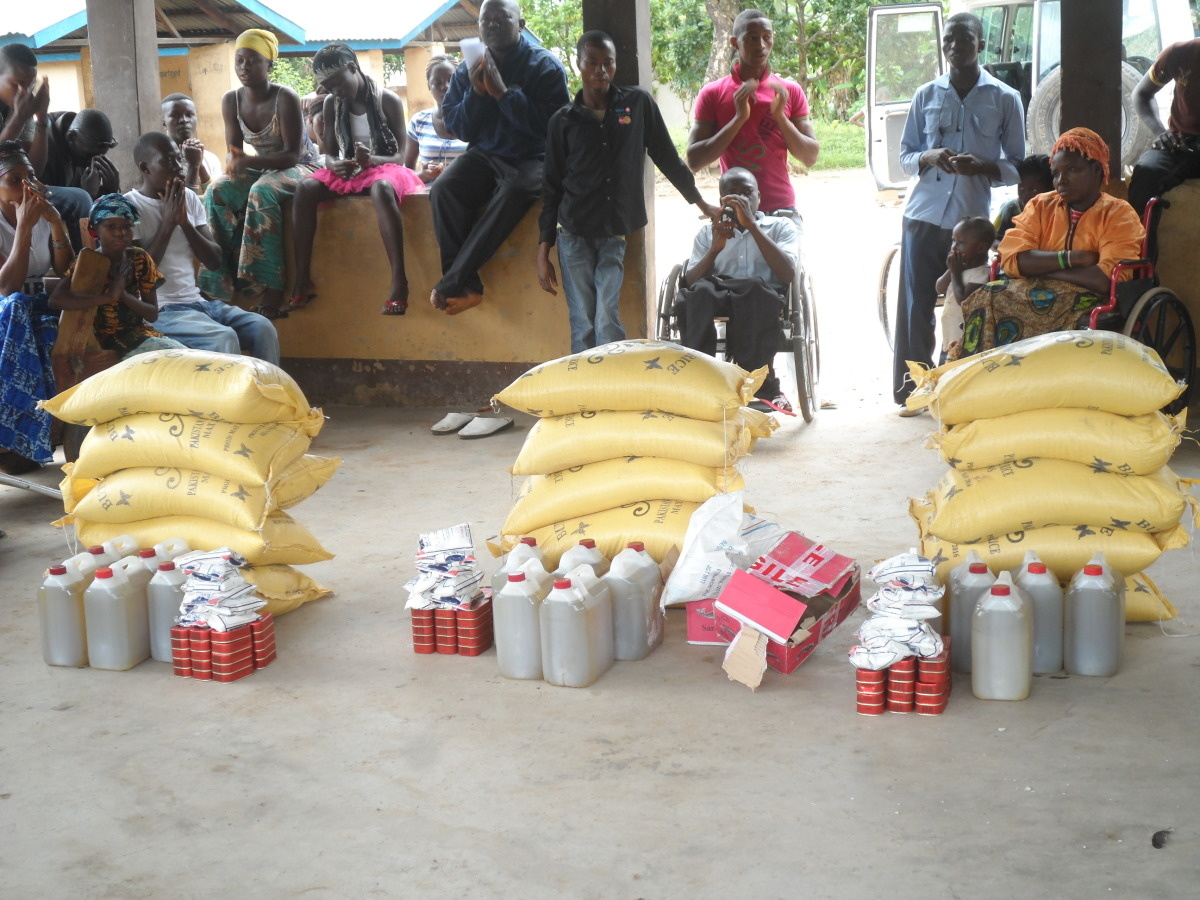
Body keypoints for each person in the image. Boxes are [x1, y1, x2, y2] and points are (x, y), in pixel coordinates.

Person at [537, 31, 718, 353]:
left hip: (613, 231)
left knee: (607, 316)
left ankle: (611, 388)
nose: (600, 70)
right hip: (573, 234)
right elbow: (551, 187)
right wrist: (543, 251)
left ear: (616, 65)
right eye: (592, 63)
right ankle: (585, 395)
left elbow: (665, 155)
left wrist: (700, 201)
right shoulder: (562, 122)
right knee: (583, 320)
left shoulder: (636, 104)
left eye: (608, 62)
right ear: (578, 65)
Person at [892, 12, 1024, 415]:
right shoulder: (925, 95)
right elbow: (904, 158)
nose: (954, 46)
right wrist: (929, 156)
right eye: (948, 39)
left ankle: (960, 388)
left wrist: (984, 166)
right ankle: (911, 388)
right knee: (915, 306)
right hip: (923, 216)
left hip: (970, 225)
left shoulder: (1004, 97)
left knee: (967, 305)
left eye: (963, 38)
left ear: (980, 44)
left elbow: (1020, 165)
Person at [950, 128, 1144, 360]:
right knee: (986, 295)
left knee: (1006, 301)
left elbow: (1105, 280)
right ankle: (980, 375)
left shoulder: (1119, 214)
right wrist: (1071, 259)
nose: (1061, 180)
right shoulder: (1040, 206)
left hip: (1086, 299)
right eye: (1055, 173)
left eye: (1072, 169)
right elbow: (1013, 260)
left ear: (1096, 170)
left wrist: (1043, 269)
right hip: (1032, 292)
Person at [429, 0, 569, 316]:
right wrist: (477, 94)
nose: (491, 24)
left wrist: (504, 94)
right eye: (484, 20)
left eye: (501, 18)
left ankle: (451, 281)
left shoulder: (544, 66)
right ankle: (469, 286)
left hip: (533, 157)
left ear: (520, 25)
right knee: (443, 190)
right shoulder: (469, 67)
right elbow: (457, 126)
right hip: (485, 155)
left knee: (516, 190)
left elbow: (554, 127)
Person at [291, 43, 424, 316]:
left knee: (382, 189)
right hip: (353, 169)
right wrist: (336, 165)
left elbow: (401, 155)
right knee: (305, 188)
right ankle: (302, 277)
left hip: (385, 167)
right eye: (328, 86)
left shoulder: (387, 100)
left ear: (353, 68)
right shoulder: (331, 103)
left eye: (337, 82)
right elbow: (328, 153)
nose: (334, 91)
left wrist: (372, 160)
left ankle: (399, 280)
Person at [125, 132, 279, 365]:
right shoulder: (130, 206)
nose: (179, 167)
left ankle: (266, 397)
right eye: (168, 161)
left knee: (262, 328)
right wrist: (167, 224)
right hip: (161, 311)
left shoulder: (188, 197)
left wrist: (185, 223)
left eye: (179, 159)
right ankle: (229, 401)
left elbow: (215, 261)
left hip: (199, 304)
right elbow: (139, 274)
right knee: (224, 338)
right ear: (146, 168)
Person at [200, 29, 320, 320]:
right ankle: (219, 283)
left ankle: (272, 289)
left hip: (301, 167)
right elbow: (233, 151)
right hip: (261, 168)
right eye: (239, 60)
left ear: (270, 65)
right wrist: (234, 162)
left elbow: (293, 154)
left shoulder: (285, 97)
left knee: (262, 191)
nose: (244, 67)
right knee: (215, 191)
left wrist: (249, 162)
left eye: (253, 61)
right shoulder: (231, 100)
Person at [674, 167, 800, 413]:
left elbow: (787, 274)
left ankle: (761, 383)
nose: (741, 199)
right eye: (733, 195)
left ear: (759, 197)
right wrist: (715, 248)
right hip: (719, 291)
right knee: (696, 294)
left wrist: (752, 226)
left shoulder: (780, 227)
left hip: (761, 293)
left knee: (755, 289)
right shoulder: (708, 232)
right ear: (722, 200)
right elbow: (689, 281)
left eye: (747, 193)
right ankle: (701, 381)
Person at [687, 9, 819, 216]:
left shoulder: (789, 91)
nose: (761, 45)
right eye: (751, 38)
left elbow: (810, 157)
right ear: (734, 42)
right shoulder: (712, 93)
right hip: (736, 211)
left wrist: (780, 118)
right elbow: (694, 161)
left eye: (767, 37)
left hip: (782, 210)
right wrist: (739, 119)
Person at [0, 141, 74, 470]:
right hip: (7, 311)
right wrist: (24, 228)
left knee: (59, 321)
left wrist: (55, 222)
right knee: (16, 305)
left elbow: (65, 271)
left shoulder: (39, 212)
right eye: (15, 179)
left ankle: (44, 431)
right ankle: (14, 428)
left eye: (30, 176)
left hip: (37, 307)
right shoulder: (22, 218)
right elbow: (6, 287)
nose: (26, 186)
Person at [49, 193, 185, 358]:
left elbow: (152, 314)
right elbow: (56, 300)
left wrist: (123, 295)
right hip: (103, 341)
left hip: (139, 333)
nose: (121, 232)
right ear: (95, 231)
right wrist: (108, 297)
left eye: (127, 226)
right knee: (172, 357)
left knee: (181, 356)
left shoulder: (139, 258)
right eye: (111, 226)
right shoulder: (87, 261)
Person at [0, 44, 92, 250]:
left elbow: (34, 170)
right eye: (18, 83)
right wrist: (20, 117)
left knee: (79, 199)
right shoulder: (20, 110)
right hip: (3, 192)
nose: (25, 91)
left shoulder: (20, 107)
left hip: (18, 189)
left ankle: (82, 270)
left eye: (31, 84)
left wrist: (41, 119)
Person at [1129, 38, 1200, 218]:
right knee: (1146, 172)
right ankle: (1137, 243)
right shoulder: (1180, 53)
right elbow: (1142, 93)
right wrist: (1160, 133)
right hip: (1181, 142)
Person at [934, 215, 993, 361]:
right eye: (953, 241)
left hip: (966, 338)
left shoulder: (981, 273)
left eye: (960, 243)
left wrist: (955, 272)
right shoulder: (959, 269)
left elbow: (964, 300)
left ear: (980, 248)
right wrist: (951, 270)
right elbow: (939, 288)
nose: (954, 247)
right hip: (950, 333)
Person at [404, 55, 468, 184]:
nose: (445, 86)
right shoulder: (419, 121)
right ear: (429, 86)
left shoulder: (473, 120)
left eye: (451, 80)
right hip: (427, 200)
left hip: (468, 198)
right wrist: (423, 175)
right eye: (437, 82)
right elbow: (407, 172)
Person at [42, 108, 121, 198]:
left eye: (99, 156)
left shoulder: (81, 143)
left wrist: (109, 193)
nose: (92, 163)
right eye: (88, 156)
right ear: (71, 137)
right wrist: (85, 196)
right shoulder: (42, 145)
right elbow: (45, 207)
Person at [161, 93, 222, 194]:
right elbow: (186, 203)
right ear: (164, 122)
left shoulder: (210, 158)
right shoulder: (161, 161)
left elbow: (218, 198)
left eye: (189, 115)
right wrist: (193, 166)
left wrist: (200, 164)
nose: (184, 120)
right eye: (175, 116)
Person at [994, 154, 1052, 240]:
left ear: (1050, 190)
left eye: (1034, 190)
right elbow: (993, 240)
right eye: (1021, 188)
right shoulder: (1010, 210)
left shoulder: (1055, 215)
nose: (1024, 195)